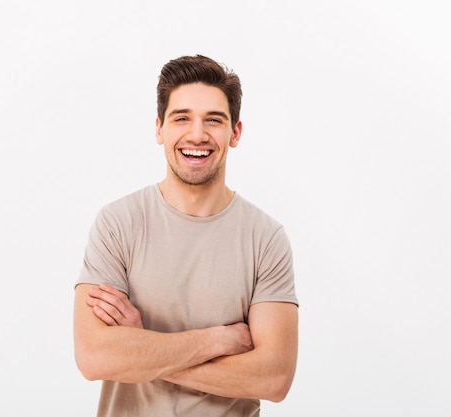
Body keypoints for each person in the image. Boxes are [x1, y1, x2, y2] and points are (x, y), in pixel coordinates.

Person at [73, 54, 299, 417]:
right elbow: (94, 357)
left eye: (214, 120)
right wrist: (219, 340)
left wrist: (143, 347)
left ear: (235, 132)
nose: (197, 134)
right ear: (160, 128)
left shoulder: (266, 238)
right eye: (182, 118)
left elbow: (274, 378)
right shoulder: (118, 224)